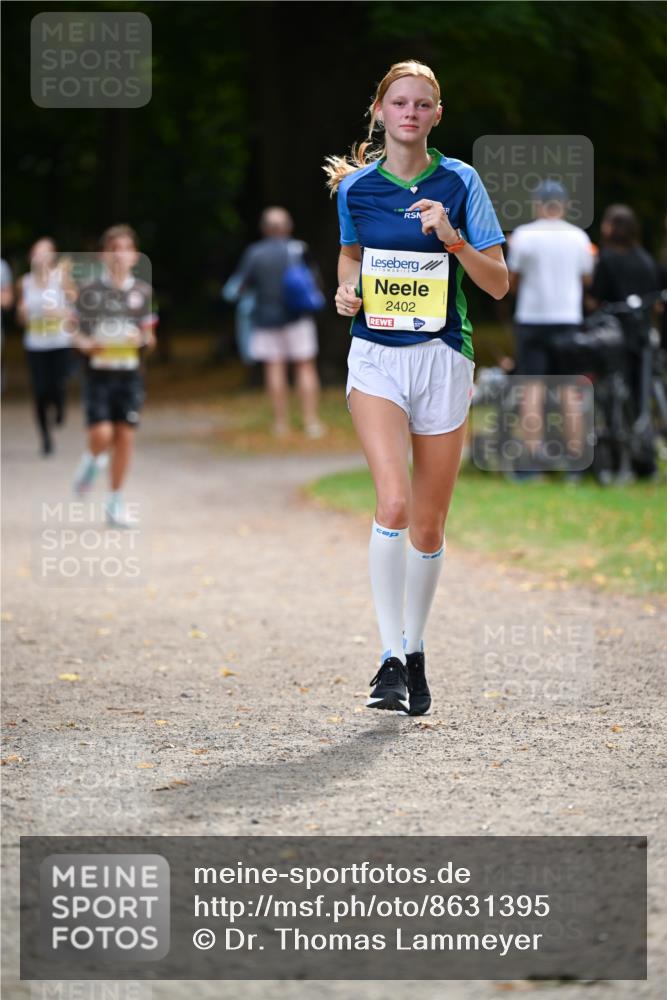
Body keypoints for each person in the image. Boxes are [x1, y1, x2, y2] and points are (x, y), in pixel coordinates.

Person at [323, 60, 507, 714]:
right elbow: (351, 256)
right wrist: (347, 289)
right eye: (397, 102)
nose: (408, 112)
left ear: (435, 114)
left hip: (441, 357)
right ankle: (388, 661)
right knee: (393, 504)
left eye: (421, 104)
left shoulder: (461, 182)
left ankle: (415, 645)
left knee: (427, 526)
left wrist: (452, 241)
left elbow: (496, 284)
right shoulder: (357, 192)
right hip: (374, 355)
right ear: (378, 111)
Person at [72, 224, 157, 526]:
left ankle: (115, 500)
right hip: (99, 375)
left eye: (126, 249)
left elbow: (150, 337)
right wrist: (88, 345)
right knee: (102, 434)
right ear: (103, 255)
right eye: (113, 249)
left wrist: (141, 339)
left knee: (125, 437)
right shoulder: (90, 292)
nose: (120, 255)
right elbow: (75, 333)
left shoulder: (142, 292)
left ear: (135, 256)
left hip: (130, 375)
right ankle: (91, 461)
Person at [506, 180, 595, 473]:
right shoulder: (579, 237)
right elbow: (586, 280)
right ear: (564, 205)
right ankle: (575, 461)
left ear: (538, 205)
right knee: (570, 389)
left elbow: (512, 280)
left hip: (532, 319)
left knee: (532, 389)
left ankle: (532, 461)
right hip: (568, 319)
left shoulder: (524, 236)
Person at [230, 207, 325, 438]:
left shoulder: (255, 253)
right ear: (288, 227)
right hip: (298, 317)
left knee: (274, 369)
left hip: (266, 319)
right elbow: (314, 280)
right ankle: (311, 422)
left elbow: (240, 286)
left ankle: (281, 424)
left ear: (264, 228)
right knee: (305, 367)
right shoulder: (298, 248)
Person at [588, 203, 661, 477]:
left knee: (614, 396)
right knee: (640, 396)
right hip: (642, 336)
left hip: (615, 337)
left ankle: (616, 456)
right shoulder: (645, 259)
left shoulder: (607, 259)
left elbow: (596, 298)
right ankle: (645, 457)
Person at [16, 238, 77, 455]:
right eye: (36, 253)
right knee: (40, 391)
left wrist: (60, 313)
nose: (40, 258)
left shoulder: (61, 279)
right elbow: (21, 318)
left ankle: (60, 406)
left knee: (58, 384)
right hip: (35, 344)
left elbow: (75, 308)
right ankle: (45, 438)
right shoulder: (24, 283)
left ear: (53, 256)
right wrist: (22, 313)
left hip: (59, 342)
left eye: (45, 253)